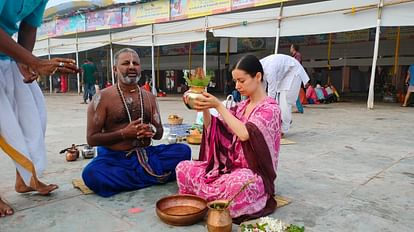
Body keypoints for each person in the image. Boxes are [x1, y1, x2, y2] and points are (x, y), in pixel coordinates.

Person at [176, 55, 281, 223]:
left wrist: (218, 105)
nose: (237, 86)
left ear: (258, 77)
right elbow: (218, 129)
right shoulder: (242, 106)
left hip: (252, 173)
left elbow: (245, 133)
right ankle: (216, 197)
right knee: (184, 168)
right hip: (229, 168)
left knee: (237, 186)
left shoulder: (270, 109)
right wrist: (205, 108)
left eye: (242, 80)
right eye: (235, 81)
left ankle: (209, 196)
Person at [0, 1, 79, 217]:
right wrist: (33, 61)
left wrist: (24, 62)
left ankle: (24, 179)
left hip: (6, 57)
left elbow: (28, 27)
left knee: (35, 113)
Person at [81, 48, 191, 197]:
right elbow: (92, 139)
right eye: (126, 63)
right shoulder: (102, 98)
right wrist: (124, 133)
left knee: (184, 151)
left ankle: (132, 179)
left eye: (136, 63)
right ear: (115, 69)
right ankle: (155, 176)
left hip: (145, 153)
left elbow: (159, 133)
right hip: (115, 157)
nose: (132, 66)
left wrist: (151, 131)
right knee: (91, 174)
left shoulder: (149, 97)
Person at [260, 54, 310, 135]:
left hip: (294, 71)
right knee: (278, 101)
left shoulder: (269, 70)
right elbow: (262, 87)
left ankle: (283, 129)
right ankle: (283, 121)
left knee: (286, 100)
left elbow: (271, 91)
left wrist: (268, 106)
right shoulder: (259, 68)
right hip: (284, 75)